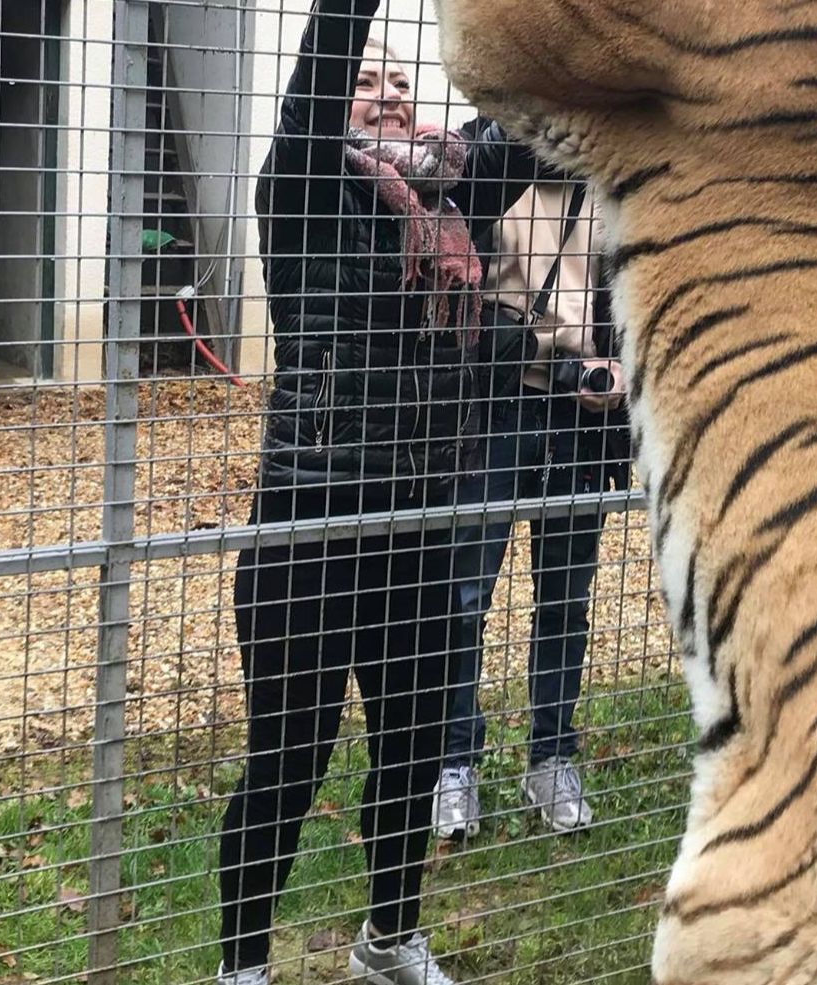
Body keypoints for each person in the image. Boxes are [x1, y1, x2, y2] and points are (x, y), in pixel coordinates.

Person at [216, 5, 551, 983]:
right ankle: (243, 965)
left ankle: (388, 940)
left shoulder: (457, 201)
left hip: (424, 531)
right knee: (287, 760)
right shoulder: (303, 187)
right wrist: (345, 25)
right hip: (311, 533)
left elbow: (526, 109)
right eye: (368, 79)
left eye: (401, 77)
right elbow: (318, 78)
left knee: (409, 756)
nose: (390, 89)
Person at [431, 180, 631, 840]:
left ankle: (550, 757)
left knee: (565, 601)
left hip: (579, 420)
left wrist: (621, 370)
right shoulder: (489, 166)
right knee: (463, 596)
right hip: (495, 410)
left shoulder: (609, 182)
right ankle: (454, 761)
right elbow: (457, 299)